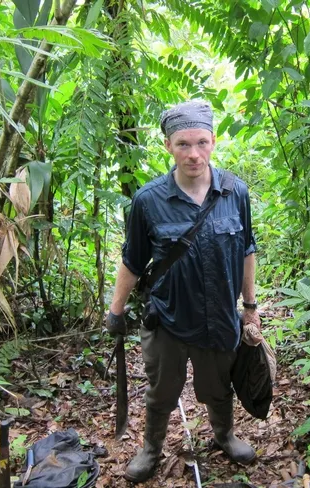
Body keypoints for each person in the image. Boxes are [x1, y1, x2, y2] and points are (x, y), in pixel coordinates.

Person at [105, 100, 261, 483]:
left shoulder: (235, 192)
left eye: (202, 143)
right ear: (167, 146)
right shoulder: (148, 201)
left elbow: (247, 250)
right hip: (168, 320)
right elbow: (132, 260)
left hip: (218, 317)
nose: (194, 154)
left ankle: (225, 435)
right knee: (161, 391)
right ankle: (151, 448)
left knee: (219, 386)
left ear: (214, 141)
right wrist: (116, 310)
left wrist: (250, 306)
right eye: (183, 144)